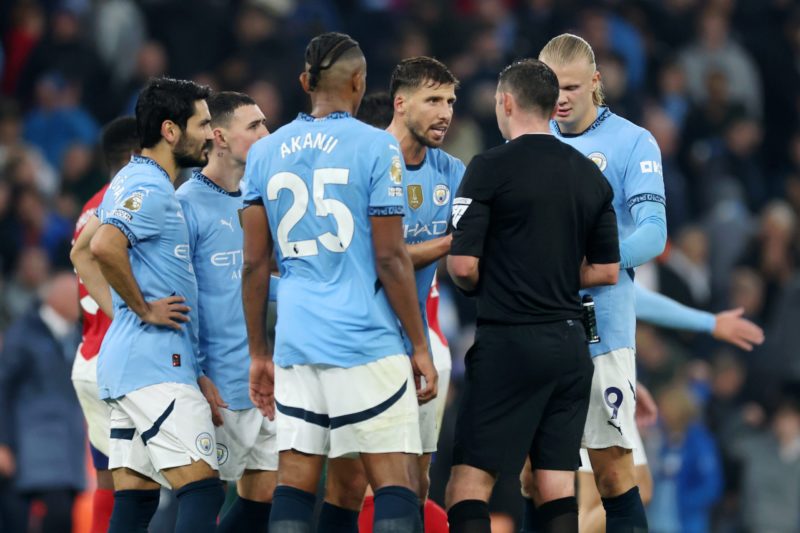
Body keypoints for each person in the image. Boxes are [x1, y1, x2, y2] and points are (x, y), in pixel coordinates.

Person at [240, 32, 437, 533]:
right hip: (365, 338)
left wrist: (259, 353)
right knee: (397, 484)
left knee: (295, 482)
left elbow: (254, 266)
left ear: (305, 83)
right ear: (359, 82)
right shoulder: (377, 146)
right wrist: (419, 344)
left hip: (297, 340)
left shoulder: (265, 153)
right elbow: (391, 257)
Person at [444, 58, 621, 533]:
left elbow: (462, 265)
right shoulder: (590, 176)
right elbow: (606, 270)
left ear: (506, 102)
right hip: (569, 347)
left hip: (510, 342)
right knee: (554, 485)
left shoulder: (489, 166)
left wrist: (493, 280)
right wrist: (554, 275)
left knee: (467, 484)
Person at [519, 33, 668, 533]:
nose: (559, 98)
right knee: (533, 474)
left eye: (571, 87)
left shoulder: (631, 142)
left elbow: (653, 234)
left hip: (601, 326)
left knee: (612, 472)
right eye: (550, 87)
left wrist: (592, 262)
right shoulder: (528, 141)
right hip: (535, 324)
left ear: (596, 83)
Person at [325, 56, 463, 533]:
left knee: (415, 484)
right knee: (347, 484)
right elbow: (376, 258)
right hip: (359, 344)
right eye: (433, 100)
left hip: (423, 346)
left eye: (450, 100)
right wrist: (446, 244)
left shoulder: (452, 172)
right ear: (401, 103)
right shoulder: (360, 161)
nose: (445, 111)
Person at [89, 77, 223, 533]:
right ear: (170, 130)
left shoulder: (133, 180)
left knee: (134, 504)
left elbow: (86, 246)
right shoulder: (150, 187)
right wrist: (144, 308)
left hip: (134, 367)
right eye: (203, 123)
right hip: (153, 365)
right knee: (203, 490)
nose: (210, 134)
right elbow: (104, 245)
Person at [576, 283, 765, 533]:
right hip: (590, 389)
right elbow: (649, 251)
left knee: (610, 492)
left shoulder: (602, 279)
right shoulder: (591, 278)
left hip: (604, 385)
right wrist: (710, 323)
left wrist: (626, 381)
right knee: (608, 491)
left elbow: (629, 302)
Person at [174, 91, 276, 533]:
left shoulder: (261, 197)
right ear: (218, 136)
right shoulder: (185, 204)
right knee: (203, 500)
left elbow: (261, 283)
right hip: (213, 385)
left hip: (261, 379)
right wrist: (194, 373)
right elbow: (180, 298)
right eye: (253, 126)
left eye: (265, 123)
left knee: (266, 497)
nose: (265, 134)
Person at [69, 115, 140, 533]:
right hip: (127, 360)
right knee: (197, 480)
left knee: (108, 484)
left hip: (90, 359)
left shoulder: (89, 207)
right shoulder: (133, 203)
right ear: (137, 155)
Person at [0, 272, 84, 533]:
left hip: (69, 447)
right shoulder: (23, 335)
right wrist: (3, 442)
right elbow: (3, 389)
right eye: (80, 297)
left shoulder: (80, 336)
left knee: (63, 516)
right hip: (31, 448)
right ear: (57, 299)